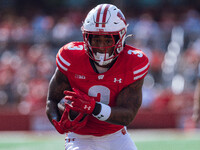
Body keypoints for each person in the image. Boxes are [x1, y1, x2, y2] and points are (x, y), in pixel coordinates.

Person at [46, 4, 149, 150]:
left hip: (116, 136)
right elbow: (52, 100)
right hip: (79, 138)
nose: (101, 46)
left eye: (108, 40)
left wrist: (95, 108)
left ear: (120, 38)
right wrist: (58, 121)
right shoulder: (71, 57)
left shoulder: (133, 62)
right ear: (86, 38)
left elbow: (128, 114)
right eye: (96, 40)